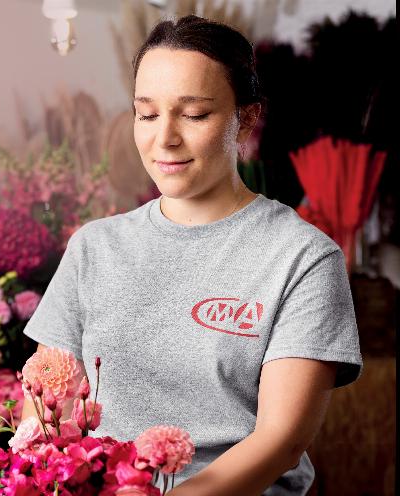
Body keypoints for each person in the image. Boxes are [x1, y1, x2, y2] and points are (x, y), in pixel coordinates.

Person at [21, 14, 362, 496]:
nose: (165, 139)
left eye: (195, 114)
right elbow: (43, 402)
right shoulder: (94, 247)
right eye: (147, 113)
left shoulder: (302, 259)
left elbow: (280, 441)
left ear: (246, 118)